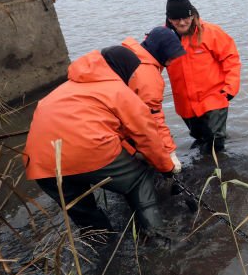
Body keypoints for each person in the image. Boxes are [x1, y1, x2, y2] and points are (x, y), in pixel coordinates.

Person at [23, 46, 175, 235]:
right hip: (86, 151)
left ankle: (103, 247)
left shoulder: (64, 89)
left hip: (40, 164)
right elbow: (147, 136)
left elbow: (104, 128)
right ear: (123, 70)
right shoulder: (117, 89)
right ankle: (157, 235)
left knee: (82, 209)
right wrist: (166, 167)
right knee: (140, 179)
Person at [164, 0, 241, 153]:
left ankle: (220, 171)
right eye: (177, 19)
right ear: (169, 20)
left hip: (214, 97)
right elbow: (147, 62)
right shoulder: (162, 38)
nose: (183, 22)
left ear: (193, 15)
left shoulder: (211, 32)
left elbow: (231, 58)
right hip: (185, 103)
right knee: (200, 138)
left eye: (186, 17)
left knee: (215, 142)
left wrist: (231, 87)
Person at [121, 26, 186, 173]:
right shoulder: (147, 75)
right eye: (169, 56)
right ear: (159, 51)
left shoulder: (132, 54)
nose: (170, 62)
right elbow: (153, 117)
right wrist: (170, 152)